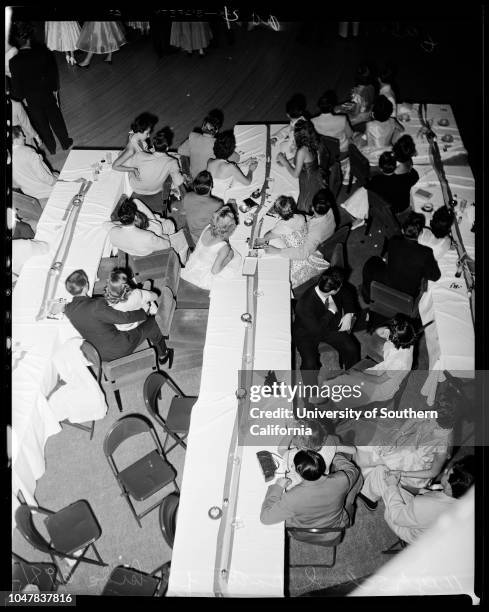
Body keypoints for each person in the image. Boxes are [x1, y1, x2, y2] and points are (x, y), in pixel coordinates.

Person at [358, 455, 474, 544]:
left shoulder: (427, 505)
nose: (445, 471)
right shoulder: (463, 502)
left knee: (380, 472)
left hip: (405, 528)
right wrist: (408, 487)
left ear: (450, 486)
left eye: (448, 473)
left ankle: (369, 497)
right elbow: (429, 495)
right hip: (427, 529)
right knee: (388, 478)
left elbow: (397, 516)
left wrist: (392, 486)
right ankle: (372, 493)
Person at [63, 269, 172, 365]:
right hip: (119, 347)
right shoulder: (96, 306)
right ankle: (163, 354)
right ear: (86, 286)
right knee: (154, 323)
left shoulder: (69, 309)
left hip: (96, 354)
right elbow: (124, 318)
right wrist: (143, 312)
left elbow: (66, 308)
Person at [315, 314, 416, 408]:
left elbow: (379, 380)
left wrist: (359, 374)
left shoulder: (400, 361)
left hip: (380, 387)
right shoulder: (406, 339)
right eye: (388, 329)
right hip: (379, 371)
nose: (385, 333)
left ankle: (331, 402)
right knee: (340, 381)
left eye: (389, 335)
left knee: (341, 382)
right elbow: (379, 331)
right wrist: (388, 327)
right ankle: (327, 393)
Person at [9, 21, 73, 155]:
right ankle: (65, 142)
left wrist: (21, 98)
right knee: (56, 118)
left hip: (31, 99)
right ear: (29, 39)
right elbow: (52, 74)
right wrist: (54, 89)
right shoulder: (43, 53)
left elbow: (16, 87)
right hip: (46, 93)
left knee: (41, 123)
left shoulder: (14, 62)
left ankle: (51, 148)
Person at [293, 267, 360, 390]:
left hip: (330, 327)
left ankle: (351, 379)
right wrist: (331, 311)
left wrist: (349, 314)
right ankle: (311, 393)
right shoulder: (303, 305)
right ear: (334, 291)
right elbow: (316, 331)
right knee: (309, 363)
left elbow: (347, 293)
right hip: (307, 333)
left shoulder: (330, 284)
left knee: (352, 349)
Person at [260, 449, 362, 529]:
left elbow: (265, 518)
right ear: (322, 464)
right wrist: (336, 455)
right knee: (358, 479)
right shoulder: (341, 479)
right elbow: (354, 470)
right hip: (334, 530)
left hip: (303, 533)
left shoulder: (292, 496)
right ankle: (349, 504)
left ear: (297, 471)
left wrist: (278, 487)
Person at [362, 212, 441, 301]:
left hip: (388, 282)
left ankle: (367, 296)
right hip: (408, 294)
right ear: (420, 233)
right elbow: (435, 276)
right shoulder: (426, 253)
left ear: (403, 230)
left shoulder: (393, 241)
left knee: (372, 261)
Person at [264, 191, 335, 287]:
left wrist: (278, 251)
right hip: (325, 232)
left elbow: (303, 254)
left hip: (307, 253)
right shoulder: (328, 210)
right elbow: (310, 219)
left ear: (313, 208)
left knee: (274, 271)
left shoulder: (315, 234)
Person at [277, 419, 356, 488]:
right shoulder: (330, 441)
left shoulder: (294, 456)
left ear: (302, 447)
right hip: (323, 481)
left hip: (302, 487)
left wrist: (289, 433)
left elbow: (281, 449)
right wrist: (336, 448)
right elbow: (353, 450)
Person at [181, 205, 242, 290]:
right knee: (236, 271)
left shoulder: (208, 228)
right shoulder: (224, 247)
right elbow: (214, 271)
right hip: (201, 277)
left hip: (192, 266)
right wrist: (228, 258)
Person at [129, 128, 185, 213]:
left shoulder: (140, 155)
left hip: (137, 188)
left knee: (131, 170)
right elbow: (178, 181)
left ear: (154, 146)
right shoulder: (172, 161)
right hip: (155, 190)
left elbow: (130, 167)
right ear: (167, 148)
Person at [277, 120, 324, 214]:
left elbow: (295, 174)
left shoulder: (302, 150)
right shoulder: (311, 143)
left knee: (301, 205)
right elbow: (306, 161)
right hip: (313, 175)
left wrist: (285, 162)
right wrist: (288, 161)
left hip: (307, 180)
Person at [105, 197, 175, 257]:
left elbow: (106, 224)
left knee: (136, 202)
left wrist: (121, 222)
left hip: (134, 250)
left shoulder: (112, 232)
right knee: (169, 223)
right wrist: (165, 236)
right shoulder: (149, 236)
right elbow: (167, 244)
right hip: (150, 253)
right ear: (135, 216)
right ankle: (175, 244)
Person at [178, 112, 239, 179]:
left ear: (203, 126)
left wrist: (195, 152)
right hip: (208, 181)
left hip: (193, 177)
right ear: (216, 130)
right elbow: (236, 158)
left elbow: (180, 150)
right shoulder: (219, 143)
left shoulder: (193, 136)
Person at [12, 125, 57, 206]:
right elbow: (43, 176)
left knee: (55, 173)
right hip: (46, 193)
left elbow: (15, 184)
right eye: (22, 135)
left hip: (31, 197)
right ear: (16, 139)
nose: (24, 137)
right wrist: (55, 182)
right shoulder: (28, 151)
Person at [207, 131, 258, 201]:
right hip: (220, 200)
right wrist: (251, 170)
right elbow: (247, 182)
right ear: (231, 152)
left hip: (208, 196)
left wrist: (244, 163)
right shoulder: (230, 167)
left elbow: (225, 168)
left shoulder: (210, 161)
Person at [112, 112, 159, 177]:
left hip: (138, 156)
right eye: (147, 133)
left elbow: (131, 132)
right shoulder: (130, 151)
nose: (148, 136)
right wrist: (133, 169)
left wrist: (150, 150)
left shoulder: (134, 132)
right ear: (139, 132)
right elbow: (114, 166)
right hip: (132, 162)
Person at [182, 171, 223, 244]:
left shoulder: (187, 196)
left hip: (193, 235)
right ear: (211, 187)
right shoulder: (217, 204)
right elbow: (221, 223)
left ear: (194, 186)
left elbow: (185, 211)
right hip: (207, 238)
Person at [311, 90, 353, 156]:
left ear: (319, 107)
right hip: (342, 149)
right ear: (332, 106)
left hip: (325, 151)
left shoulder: (313, 121)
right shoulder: (342, 118)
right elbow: (350, 134)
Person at [271, 94, 308, 160]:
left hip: (299, 151)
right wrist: (276, 138)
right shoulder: (298, 121)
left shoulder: (301, 128)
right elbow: (288, 129)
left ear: (287, 115)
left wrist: (291, 159)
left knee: (282, 149)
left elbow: (304, 147)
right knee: (280, 145)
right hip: (294, 144)